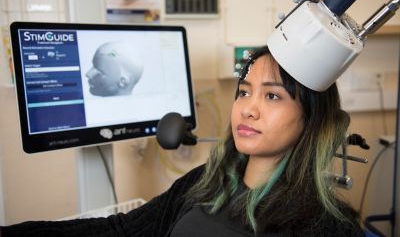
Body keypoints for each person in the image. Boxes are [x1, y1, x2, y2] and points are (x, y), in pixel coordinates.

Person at [0, 46, 364, 237]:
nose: (247, 110)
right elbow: (122, 230)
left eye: (272, 97)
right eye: (243, 92)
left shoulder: (327, 226)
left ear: (310, 118)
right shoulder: (207, 181)